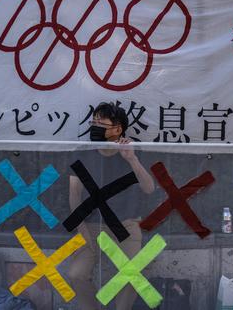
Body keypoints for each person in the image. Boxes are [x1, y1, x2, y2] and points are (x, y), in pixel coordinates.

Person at [67, 102, 155, 310]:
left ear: (117, 129)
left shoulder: (133, 151)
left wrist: (132, 159)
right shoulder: (83, 152)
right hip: (90, 225)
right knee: (76, 274)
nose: (95, 126)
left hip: (125, 225)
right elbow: (74, 193)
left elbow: (149, 188)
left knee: (135, 270)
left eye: (101, 123)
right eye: (93, 122)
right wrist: (80, 229)